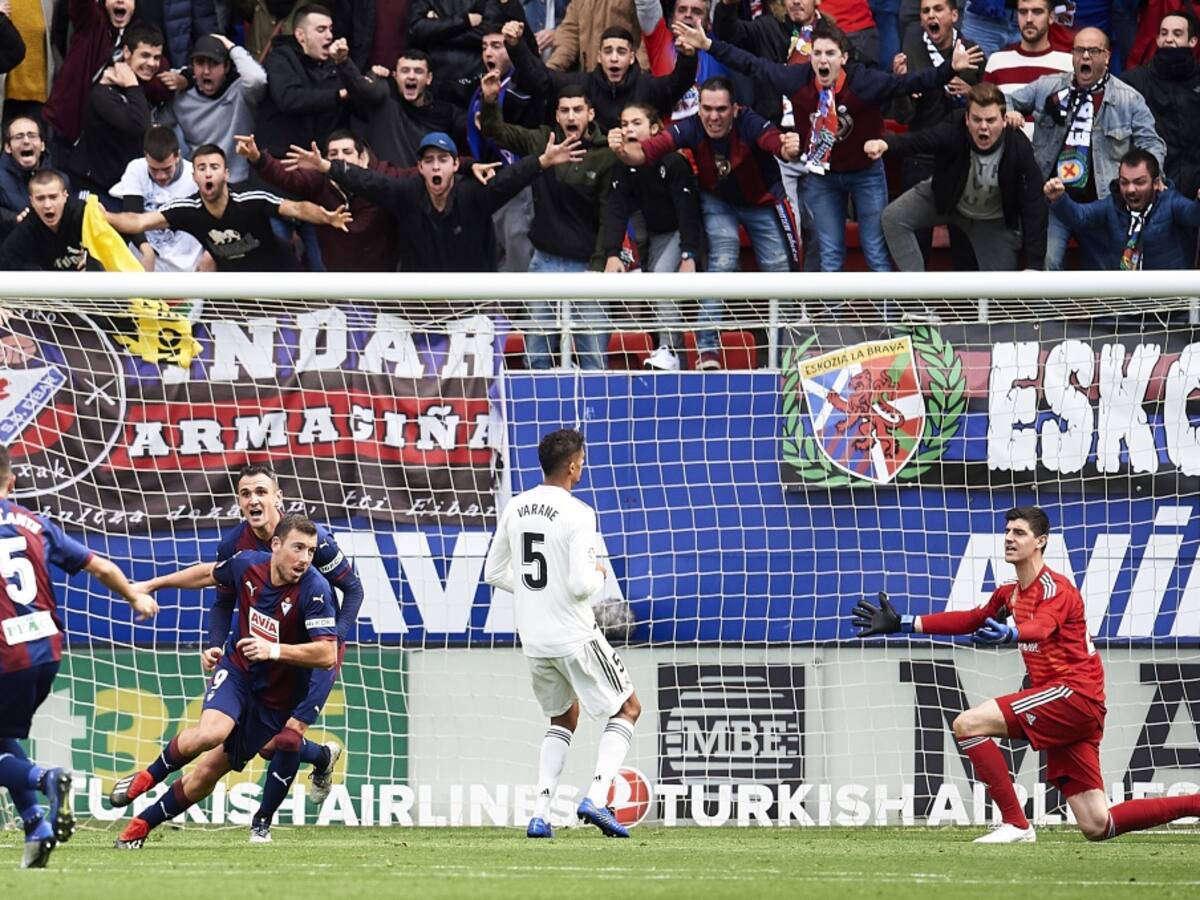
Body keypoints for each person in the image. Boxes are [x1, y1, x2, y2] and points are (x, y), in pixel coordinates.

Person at [852, 505, 1200, 843]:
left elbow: (1043, 626)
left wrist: (1012, 634)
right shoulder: (1010, 593)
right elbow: (972, 618)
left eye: (1019, 532)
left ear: (1041, 541)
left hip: (1073, 696)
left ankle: (1017, 825)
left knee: (967, 724)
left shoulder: (1057, 589)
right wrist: (904, 623)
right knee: (1097, 824)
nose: (1009, 538)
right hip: (1069, 708)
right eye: (1007, 531)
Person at [132, 465, 362, 843]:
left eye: (261, 491)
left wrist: (334, 639)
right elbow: (220, 598)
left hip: (312, 652)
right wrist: (215, 643)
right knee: (270, 746)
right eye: (245, 493)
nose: (254, 500)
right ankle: (321, 757)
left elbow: (353, 590)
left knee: (288, 737)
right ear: (239, 501)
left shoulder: (310, 540)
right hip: (259, 656)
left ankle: (262, 825)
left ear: (278, 497)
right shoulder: (235, 547)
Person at [676, 19, 984, 274]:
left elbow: (910, 83)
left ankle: (891, 331)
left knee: (876, 252)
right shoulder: (797, 79)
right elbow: (753, 65)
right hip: (822, 177)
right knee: (831, 255)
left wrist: (950, 70)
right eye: (818, 53)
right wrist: (708, 45)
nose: (823, 60)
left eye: (831, 53)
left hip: (865, 174)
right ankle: (829, 335)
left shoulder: (864, 82)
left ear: (844, 58)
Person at [0, 445, 157, 867]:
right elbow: (101, 567)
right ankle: (36, 825)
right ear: (11, 482)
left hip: (4, 654)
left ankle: (46, 780)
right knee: (2, 736)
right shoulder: (34, 522)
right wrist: (134, 598)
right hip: (47, 650)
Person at [483, 428, 641, 839]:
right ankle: (597, 796)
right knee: (627, 709)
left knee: (563, 717)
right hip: (574, 635)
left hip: (534, 639)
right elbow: (579, 586)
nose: (582, 467)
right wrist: (599, 573)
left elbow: (494, 573)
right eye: (583, 461)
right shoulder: (579, 513)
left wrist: (537, 591)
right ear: (572, 465)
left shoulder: (516, 507)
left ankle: (540, 814)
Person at [611, 74, 801, 369]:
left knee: (779, 275)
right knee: (723, 262)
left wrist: (787, 147)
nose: (713, 116)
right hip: (719, 201)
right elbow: (647, 152)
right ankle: (707, 349)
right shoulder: (691, 127)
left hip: (763, 203)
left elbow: (777, 143)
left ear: (735, 109)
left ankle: (783, 357)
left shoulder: (749, 122)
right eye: (707, 109)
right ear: (698, 108)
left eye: (721, 109)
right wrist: (622, 150)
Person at [288, 119, 585, 271]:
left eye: (442, 159)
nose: (435, 166)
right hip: (423, 307)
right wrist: (326, 166)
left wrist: (543, 161)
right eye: (428, 161)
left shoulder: (474, 196)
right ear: (419, 167)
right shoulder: (406, 193)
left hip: (473, 304)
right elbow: (368, 181)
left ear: (455, 165)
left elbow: (510, 180)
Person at [481, 81, 615, 370]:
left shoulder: (607, 154)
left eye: (577, 110)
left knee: (594, 359)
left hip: (587, 267)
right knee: (536, 356)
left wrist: (598, 265)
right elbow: (496, 133)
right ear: (556, 115)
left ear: (590, 114)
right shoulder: (544, 141)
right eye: (564, 110)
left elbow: (610, 215)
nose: (570, 117)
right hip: (544, 261)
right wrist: (490, 102)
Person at [1006, 27, 1165, 269]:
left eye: (1093, 51)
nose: (1086, 56)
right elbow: (1003, 99)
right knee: (1049, 263)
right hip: (1056, 199)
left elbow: (1152, 142)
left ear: (1107, 57)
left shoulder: (1128, 99)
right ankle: (1053, 309)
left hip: (1103, 203)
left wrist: (1154, 174)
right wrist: (1009, 112)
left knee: (1108, 271)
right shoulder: (1048, 88)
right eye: (1080, 50)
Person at [871, 82, 1047, 270]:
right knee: (893, 217)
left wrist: (1035, 265)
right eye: (977, 120)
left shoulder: (1019, 147)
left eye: (991, 120)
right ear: (966, 119)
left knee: (1001, 295)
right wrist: (887, 143)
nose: (983, 128)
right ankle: (918, 291)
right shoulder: (954, 127)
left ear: (1004, 120)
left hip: (993, 220)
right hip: (948, 199)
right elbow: (924, 139)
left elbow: (1034, 205)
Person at [105, 144, 353, 271]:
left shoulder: (250, 199)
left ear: (226, 173)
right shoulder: (186, 209)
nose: (207, 173)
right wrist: (103, 215)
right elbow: (138, 222)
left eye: (214, 167)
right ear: (195, 177)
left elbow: (297, 209)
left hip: (281, 277)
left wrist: (326, 216)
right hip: (237, 291)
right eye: (201, 168)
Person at [602, 102, 702, 371]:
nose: (629, 129)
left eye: (636, 123)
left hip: (682, 233)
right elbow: (615, 209)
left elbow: (688, 212)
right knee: (646, 285)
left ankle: (668, 350)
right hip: (654, 235)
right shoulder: (621, 166)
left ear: (655, 129)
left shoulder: (672, 161)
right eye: (624, 124)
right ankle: (668, 354)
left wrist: (689, 254)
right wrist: (612, 254)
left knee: (660, 280)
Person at [237, 130, 402, 271]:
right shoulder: (319, 179)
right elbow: (286, 177)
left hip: (383, 278)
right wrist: (257, 157)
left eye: (347, 152)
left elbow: (413, 181)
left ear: (361, 156)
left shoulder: (384, 175)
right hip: (337, 278)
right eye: (333, 154)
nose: (340, 158)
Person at [503, 21, 697, 133]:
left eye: (621, 52)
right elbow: (541, 81)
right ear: (599, 56)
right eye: (608, 51)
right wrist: (516, 46)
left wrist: (687, 57)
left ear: (631, 57)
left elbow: (678, 83)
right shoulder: (581, 83)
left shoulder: (647, 86)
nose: (614, 58)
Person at [1043, 147, 1200, 270]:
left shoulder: (1171, 202)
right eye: (1124, 182)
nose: (1130, 189)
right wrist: (1059, 199)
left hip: (1171, 304)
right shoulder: (1112, 204)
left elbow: (1193, 215)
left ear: (1157, 183)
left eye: (1139, 182)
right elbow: (1080, 216)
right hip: (1126, 305)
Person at [68, 22, 163, 199]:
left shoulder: (139, 87)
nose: (152, 63)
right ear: (127, 53)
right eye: (145, 55)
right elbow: (138, 124)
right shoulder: (104, 91)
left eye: (156, 57)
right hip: (93, 188)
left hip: (124, 187)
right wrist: (132, 84)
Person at [160, 33, 268, 185]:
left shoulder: (240, 91)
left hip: (240, 182)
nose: (206, 71)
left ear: (227, 66)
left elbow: (257, 79)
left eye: (213, 64)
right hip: (199, 182)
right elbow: (156, 125)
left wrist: (231, 47)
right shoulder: (182, 92)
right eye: (200, 63)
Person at [1120, 11, 1200, 201]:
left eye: (1177, 34)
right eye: (1164, 33)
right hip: (1154, 191)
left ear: (1193, 41)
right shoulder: (1133, 82)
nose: (1169, 39)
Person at [109, 124, 208, 272]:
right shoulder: (136, 168)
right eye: (154, 169)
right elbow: (131, 215)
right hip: (144, 258)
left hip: (186, 264)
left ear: (178, 156)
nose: (160, 176)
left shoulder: (195, 176)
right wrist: (146, 251)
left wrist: (208, 255)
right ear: (146, 157)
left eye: (167, 169)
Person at [344, 49, 467, 167]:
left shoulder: (444, 113)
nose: (411, 76)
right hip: (384, 182)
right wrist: (343, 61)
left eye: (418, 71)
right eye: (405, 70)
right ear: (395, 75)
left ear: (429, 78)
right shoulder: (385, 100)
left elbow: (472, 126)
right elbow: (360, 89)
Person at [0, 169, 105, 269]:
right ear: (32, 201)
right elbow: (6, 261)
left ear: (65, 196)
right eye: (40, 198)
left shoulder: (85, 215)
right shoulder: (27, 228)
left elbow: (112, 253)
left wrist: (93, 266)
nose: (47, 205)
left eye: (53, 197)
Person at [982, 0, 1072, 102]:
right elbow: (985, 109)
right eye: (1023, 12)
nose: (1029, 19)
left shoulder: (1069, 63)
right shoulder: (997, 61)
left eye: (1037, 12)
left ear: (1051, 17)